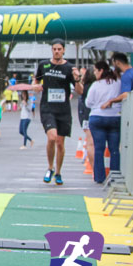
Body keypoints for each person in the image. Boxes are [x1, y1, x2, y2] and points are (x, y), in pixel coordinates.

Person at [31, 39, 81, 185]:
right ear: (52, 50)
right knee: (52, 138)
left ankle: (58, 172)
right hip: (47, 108)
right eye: (54, 49)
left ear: (64, 50)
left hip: (63, 110)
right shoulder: (44, 65)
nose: (57, 51)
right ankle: (50, 167)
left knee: (60, 143)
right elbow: (36, 82)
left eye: (59, 49)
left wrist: (78, 78)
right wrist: (35, 87)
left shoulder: (70, 68)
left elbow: (80, 91)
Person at [84, 60, 122, 184]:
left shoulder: (96, 85)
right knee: (114, 149)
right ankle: (115, 177)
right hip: (114, 117)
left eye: (95, 70)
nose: (94, 73)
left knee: (99, 149)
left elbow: (88, 103)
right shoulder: (118, 83)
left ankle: (99, 177)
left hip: (97, 117)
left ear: (101, 70)